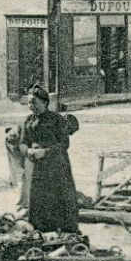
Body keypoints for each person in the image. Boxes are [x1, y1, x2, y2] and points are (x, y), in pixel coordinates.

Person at [21, 83, 81, 234]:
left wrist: (45, 152)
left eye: (34, 102)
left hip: (56, 166)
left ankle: (63, 232)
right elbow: (22, 143)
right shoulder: (28, 121)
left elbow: (64, 144)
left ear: (45, 102)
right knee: (37, 199)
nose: (31, 106)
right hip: (35, 167)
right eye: (29, 103)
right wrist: (27, 150)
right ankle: (40, 231)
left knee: (57, 199)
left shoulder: (56, 119)